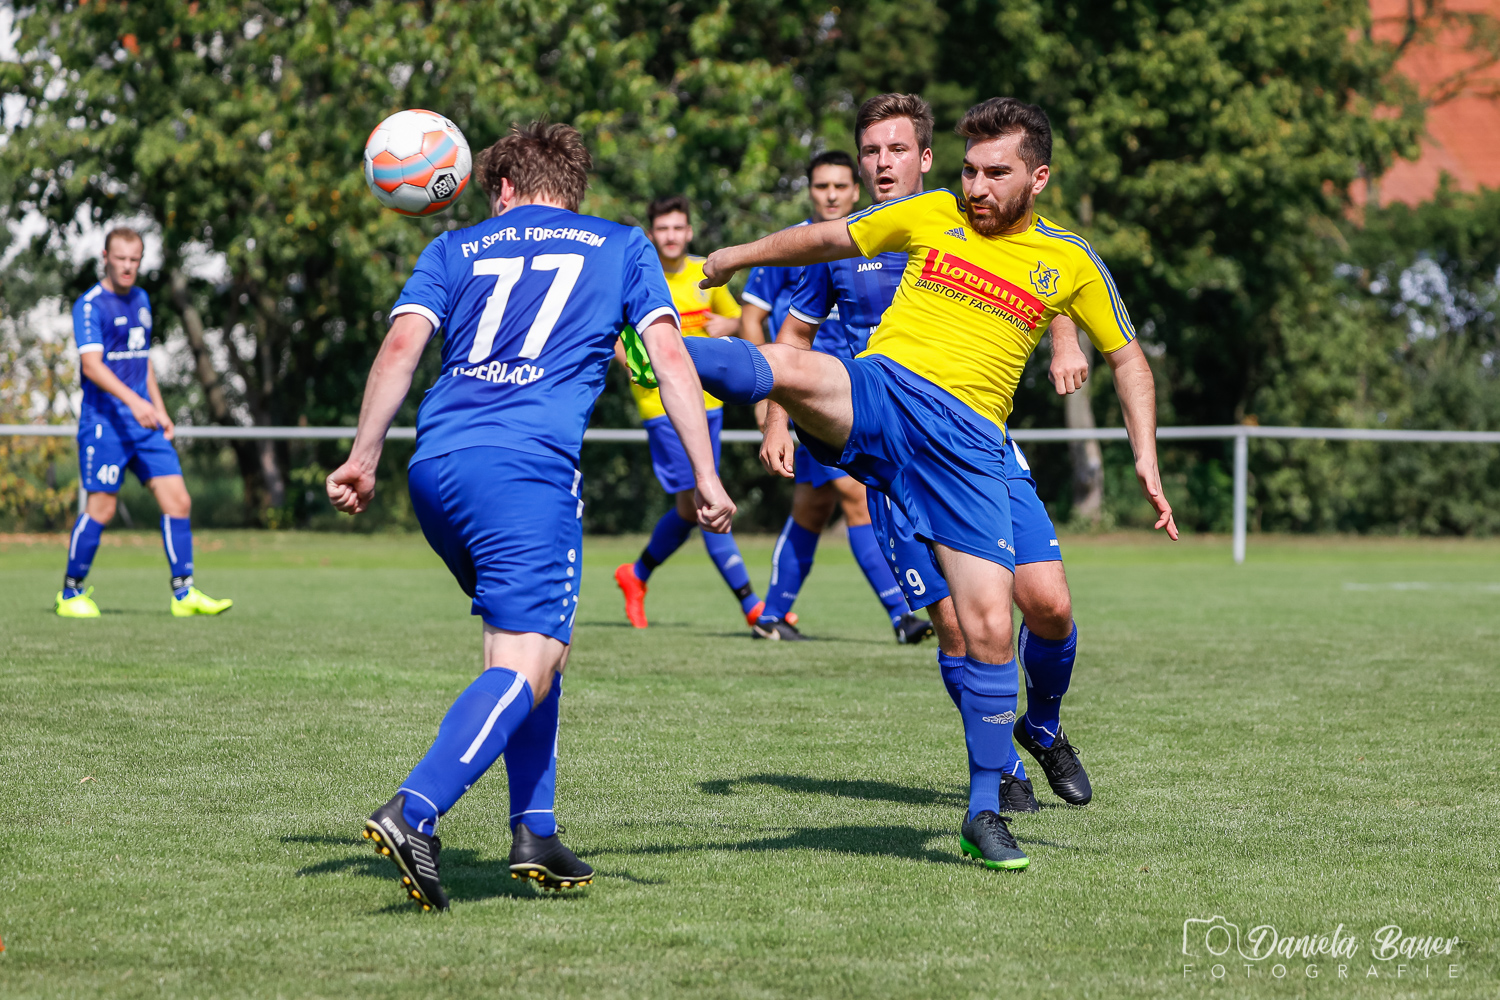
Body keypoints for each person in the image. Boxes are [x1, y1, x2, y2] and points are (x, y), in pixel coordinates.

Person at [684, 96, 1177, 871]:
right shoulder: (931, 212)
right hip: (885, 393)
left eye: (995, 173)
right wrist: (735, 256)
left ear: (1038, 178)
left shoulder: (1070, 261)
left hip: (972, 447)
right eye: (969, 171)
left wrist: (1144, 454)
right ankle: (650, 340)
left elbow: (1128, 359)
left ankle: (999, 789)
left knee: (1007, 622)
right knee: (788, 369)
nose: (975, 187)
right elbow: (824, 239)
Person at [326, 123, 735, 911]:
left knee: (537, 649)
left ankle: (534, 831)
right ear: (571, 187)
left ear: (506, 187)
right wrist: (706, 475)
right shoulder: (621, 245)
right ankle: (415, 810)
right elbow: (670, 359)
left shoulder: (453, 247)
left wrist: (363, 457)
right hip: (526, 474)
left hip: (438, 467)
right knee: (528, 659)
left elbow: (400, 350)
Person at [769, 96, 1096, 815]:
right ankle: (1001, 768)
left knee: (1046, 603)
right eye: (870, 151)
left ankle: (1043, 726)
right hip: (888, 447)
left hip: (975, 443)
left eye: (895, 150)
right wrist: (775, 422)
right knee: (954, 624)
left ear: (924, 158)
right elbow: (792, 336)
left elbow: (1052, 271)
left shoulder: (968, 218)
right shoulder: (847, 244)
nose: (881, 164)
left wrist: (1066, 338)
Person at [739, 151, 933, 644]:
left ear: (855, 188)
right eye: (821, 186)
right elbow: (753, 318)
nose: (831, 195)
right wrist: (769, 401)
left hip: (859, 391)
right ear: (809, 190)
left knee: (811, 508)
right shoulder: (798, 244)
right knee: (857, 499)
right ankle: (903, 614)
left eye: (840, 186)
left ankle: (771, 615)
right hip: (819, 402)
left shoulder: (886, 237)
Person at [55, 227, 232, 619]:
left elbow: (142, 360)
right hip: (105, 424)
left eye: (134, 260)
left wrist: (159, 408)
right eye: (120, 258)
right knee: (101, 509)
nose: (127, 266)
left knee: (178, 500)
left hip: (144, 423)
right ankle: (70, 594)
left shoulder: (141, 299)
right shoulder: (90, 305)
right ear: (105, 257)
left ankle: (184, 595)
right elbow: (92, 366)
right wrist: (135, 402)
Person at [612, 195, 763, 630]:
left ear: (690, 232)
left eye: (678, 227)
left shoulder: (704, 273)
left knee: (687, 508)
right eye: (663, 229)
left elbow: (741, 319)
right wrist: (631, 364)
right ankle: (753, 607)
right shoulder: (639, 275)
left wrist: (728, 325)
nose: (671, 236)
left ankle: (636, 574)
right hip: (662, 406)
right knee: (705, 500)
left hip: (709, 403)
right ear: (651, 234)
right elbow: (615, 334)